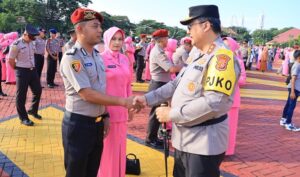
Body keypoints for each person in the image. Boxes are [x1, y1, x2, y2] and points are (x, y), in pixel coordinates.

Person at [134, 5, 240, 177]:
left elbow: (215, 102)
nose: (188, 31)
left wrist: (172, 114)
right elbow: (176, 84)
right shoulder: (198, 53)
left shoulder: (222, 58)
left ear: (206, 26)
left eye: (191, 26)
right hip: (184, 141)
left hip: (203, 145)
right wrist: (146, 99)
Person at [60, 8, 141, 177]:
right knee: (77, 172)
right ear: (80, 29)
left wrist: (105, 116)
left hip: (97, 123)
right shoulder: (73, 57)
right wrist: (123, 102)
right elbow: (87, 94)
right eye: (95, 26)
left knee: (92, 171)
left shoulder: (96, 56)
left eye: (100, 27)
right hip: (79, 124)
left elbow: (101, 88)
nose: (100, 30)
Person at [97, 26, 133, 177]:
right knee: (107, 152)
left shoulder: (124, 59)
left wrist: (130, 108)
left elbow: (127, 84)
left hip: (122, 113)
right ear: (106, 39)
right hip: (107, 114)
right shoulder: (100, 59)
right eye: (114, 39)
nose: (117, 43)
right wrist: (103, 113)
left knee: (120, 149)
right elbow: (98, 89)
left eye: (120, 39)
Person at [145, 29, 182, 148]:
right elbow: (170, 69)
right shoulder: (158, 52)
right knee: (155, 114)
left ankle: (154, 137)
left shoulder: (160, 50)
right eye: (166, 38)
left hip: (161, 83)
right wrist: (185, 66)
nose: (168, 40)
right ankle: (150, 139)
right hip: (158, 83)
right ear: (161, 39)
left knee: (158, 113)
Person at [8, 24, 42, 126]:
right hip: (22, 71)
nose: (33, 39)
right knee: (21, 95)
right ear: (25, 34)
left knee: (38, 91)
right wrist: (17, 69)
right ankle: (23, 118)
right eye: (31, 37)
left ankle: (32, 110)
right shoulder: (16, 44)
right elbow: (11, 60)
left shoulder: (32, 42)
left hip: (32, 71)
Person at [223, 37, 246, 155]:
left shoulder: (239, 61)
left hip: (233, 100)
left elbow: (243, 80)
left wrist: (232, 77)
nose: (224, 47)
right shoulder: (219, 60)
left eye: (227, 45)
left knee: (230, 127)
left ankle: (228, 151)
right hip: (219, 99)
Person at [280, 50, 300, 131]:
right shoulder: (297, 65)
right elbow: (293, 78)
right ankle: (288, 123)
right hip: (294, 88)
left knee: (289, 104)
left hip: (294, 88)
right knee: (292, 106)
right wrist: (292, 91)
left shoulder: (297, 64)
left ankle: (284, 119)